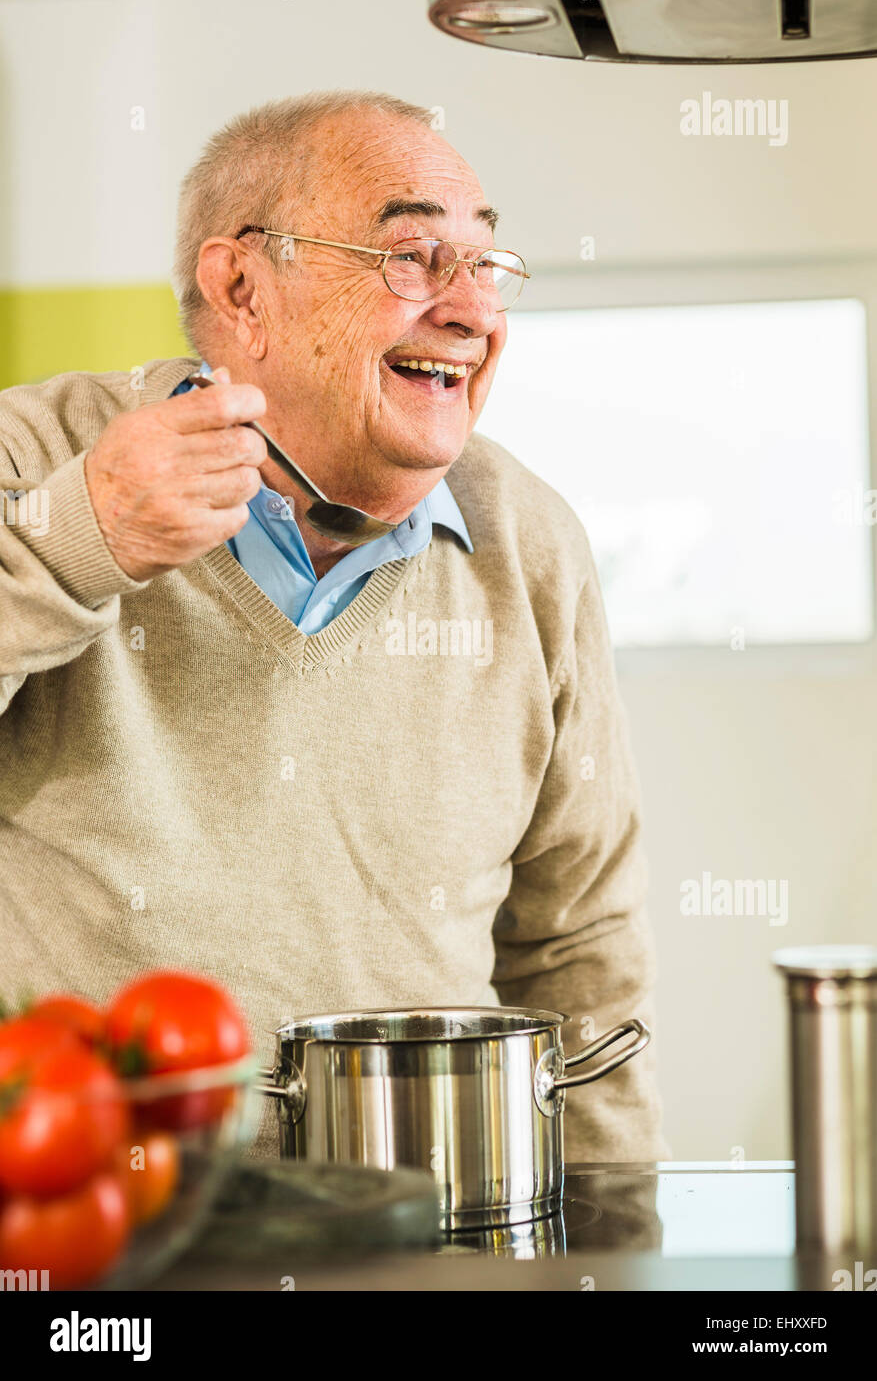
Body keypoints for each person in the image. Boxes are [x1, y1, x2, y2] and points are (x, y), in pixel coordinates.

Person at [0, 89, 666, 1160]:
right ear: (241, 287)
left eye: (484, 265)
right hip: (98, 1235)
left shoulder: (533, 542)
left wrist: (606, 1219)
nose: (470, 312)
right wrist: (86, 537)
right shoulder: (31, 458)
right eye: (411, 256)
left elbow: (578, 946)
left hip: (436, 1235)